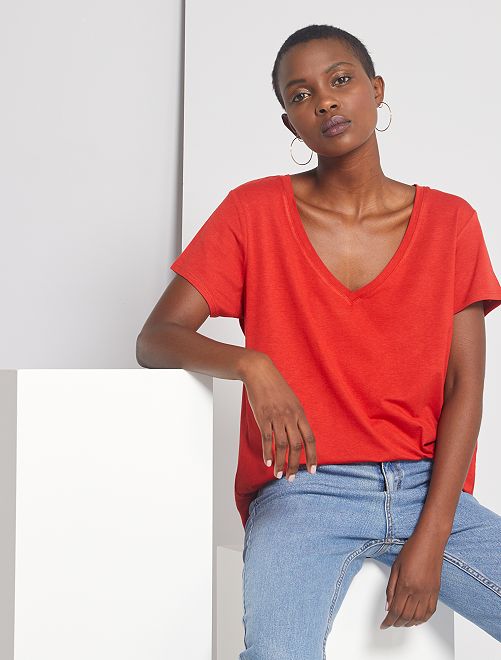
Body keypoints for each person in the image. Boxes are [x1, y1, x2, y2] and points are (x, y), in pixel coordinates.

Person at [136, 23, 501, 658]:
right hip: (304, 493)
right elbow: (156, 338)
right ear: (290, 123)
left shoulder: (451, 222)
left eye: (340, 80)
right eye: (301, 95)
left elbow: (465, 386)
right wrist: (253, 365)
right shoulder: (252, 212)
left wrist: (432, 536)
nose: (325, 101)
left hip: (427, 487)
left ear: (376, 89)